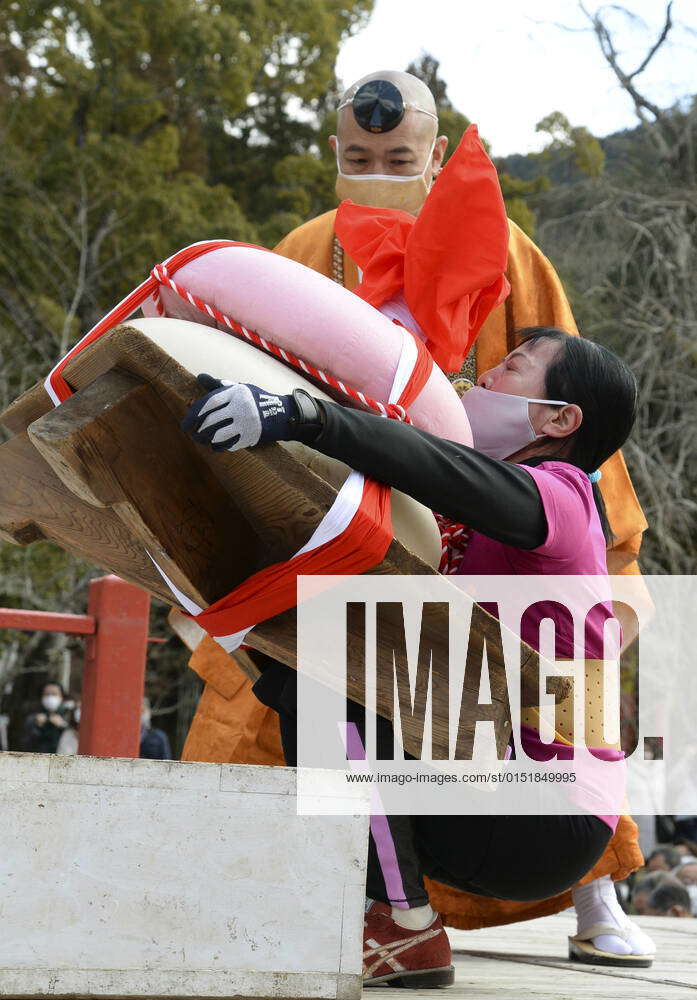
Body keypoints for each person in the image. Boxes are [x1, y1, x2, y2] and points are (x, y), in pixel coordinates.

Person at [182, 68, 649, 962]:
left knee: (418, 674)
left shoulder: (504, 256)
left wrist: (341, 418)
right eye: (358, 156)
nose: (378, 168)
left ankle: (571, 899)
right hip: (353, 491)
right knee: (289, 660)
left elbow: (553, 414)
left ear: (436, 153)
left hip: (466, 491)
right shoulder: (305, 245)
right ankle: (364, 908)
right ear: (333, 153)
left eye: (398, 156)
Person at [181, 325, 655, 982]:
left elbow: (438, 465)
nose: (482, 378)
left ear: (557, 418)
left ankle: (399, 921)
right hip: (492, 788)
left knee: (336, 670)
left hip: (545, 814)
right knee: (310, 658)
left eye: (511, 368)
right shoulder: (458, 520)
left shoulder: (566, 495)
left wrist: (304, 415)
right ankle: (375, 910)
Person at [21, 681, 70, 754]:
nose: (50, 697)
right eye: (47, 694)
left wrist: (63, 726)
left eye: (54, 694)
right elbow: (25, 746)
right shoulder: (32, 719)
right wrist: (37, 728)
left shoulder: (69, 716)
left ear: (62, 697)